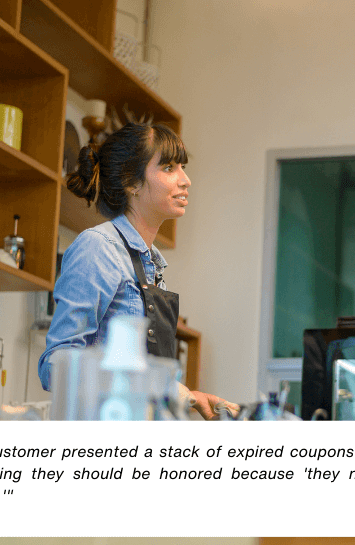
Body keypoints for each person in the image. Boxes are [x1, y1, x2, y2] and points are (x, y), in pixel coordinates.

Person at [38, 122, 236, 420]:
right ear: (131, 182)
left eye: (182, 167)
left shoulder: (151, 263)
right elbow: (55, 366)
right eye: (169, 168)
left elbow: (139, 370)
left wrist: (185, 395)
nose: (186, 180)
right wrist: (158, 387)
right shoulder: (98, 247)